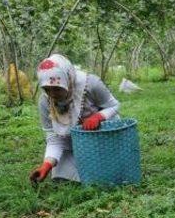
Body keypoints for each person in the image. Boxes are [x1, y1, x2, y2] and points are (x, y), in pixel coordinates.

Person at [29, 54, 120, 183]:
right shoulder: (45, 102)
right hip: (77, 144)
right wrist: (47, 165)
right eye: (47, 89)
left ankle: (104, 168)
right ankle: (91, 172)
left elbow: (114, 105)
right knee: (61, 173)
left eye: (56, 89)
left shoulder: (91, 85)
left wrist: (99, 116)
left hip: (102, 136)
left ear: (68, 79)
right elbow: (54, 138)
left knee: (109, 167)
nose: (52, 94)